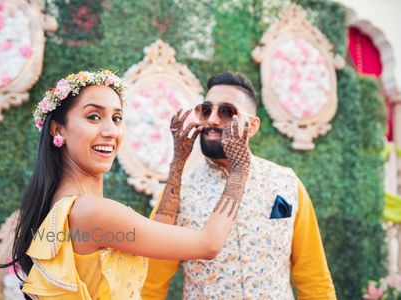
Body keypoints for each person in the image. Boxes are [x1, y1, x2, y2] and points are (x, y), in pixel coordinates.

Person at [0, 69, 252, 300]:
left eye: (117, 118)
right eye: (94, 116)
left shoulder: (64, 206)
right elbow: (208, 244)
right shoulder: (93, 213)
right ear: (58, 130)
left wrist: (177, 165)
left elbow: (156, 234)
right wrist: (240, 171)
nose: (111, 131)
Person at [142, 71, 336, 299]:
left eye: (226, 112)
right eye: (206, 110)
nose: (212, 120)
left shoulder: (286, 184)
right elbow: (150, 283)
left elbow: (314, 280)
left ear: (252, 126)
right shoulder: (178, 192)